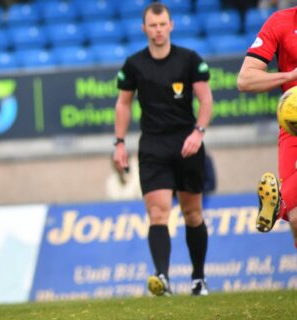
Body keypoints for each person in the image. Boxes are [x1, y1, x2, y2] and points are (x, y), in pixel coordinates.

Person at [113, 3, 214, 297]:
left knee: (192, 213)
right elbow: (123, 103)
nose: (158, 30)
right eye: (152, 25)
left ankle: (198, 278)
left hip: (187, 143)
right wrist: (119, 143)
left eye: (162, 24)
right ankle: (163, 278)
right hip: (153, 146)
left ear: (171, 25)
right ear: (144, 28)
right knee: (158, 213)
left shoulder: (190, 60)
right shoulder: (134, 65)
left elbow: (206, 101)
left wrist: (198, 132)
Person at [237, 6, 297, 248]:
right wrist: (289, 76)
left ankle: (278, 203)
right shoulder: (281, 22)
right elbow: (245, 79)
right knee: (296, 219)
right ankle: (282, 204)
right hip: (293, 123)